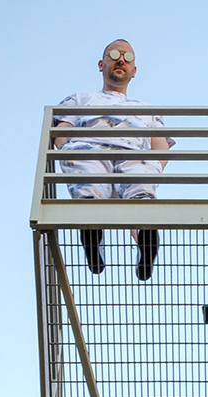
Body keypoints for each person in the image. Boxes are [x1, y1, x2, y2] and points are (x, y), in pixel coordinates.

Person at [53, 40, 174, 280]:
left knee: (141, 191)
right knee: (89, 186)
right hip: (91, 150)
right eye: (115, 54)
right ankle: (92, 235)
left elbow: (159, 144)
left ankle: (145, 241)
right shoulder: (80, 98)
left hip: (133, 155)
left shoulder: (146, 108)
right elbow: (61, 130)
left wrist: (154, 166)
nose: (121, 60)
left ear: (134, 70)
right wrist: (68, 151)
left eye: (128, 57)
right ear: (101, 63)